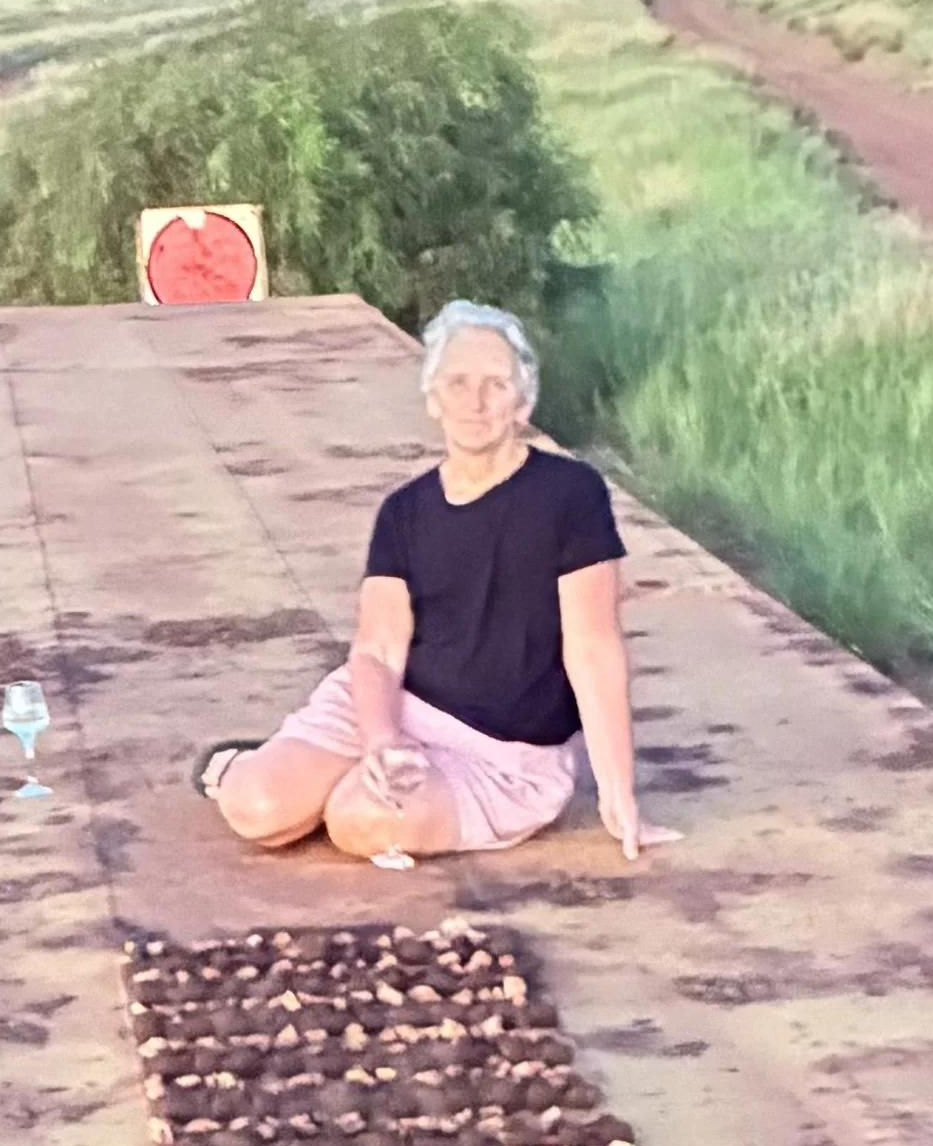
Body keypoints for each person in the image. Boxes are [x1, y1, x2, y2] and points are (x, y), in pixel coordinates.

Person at [194, 300, 680, 863]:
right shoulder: (404, 512)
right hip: (392, 709)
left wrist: (619, 793)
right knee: (258, 809)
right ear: (433, 399)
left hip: (501, 756)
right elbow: (376, 652)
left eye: (496, 384)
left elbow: (593, 648)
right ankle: (249, 766)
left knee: (358, 822)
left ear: (524, 402)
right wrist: (381, 740)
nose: (475, 402)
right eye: (457, 382)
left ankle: (341, 784)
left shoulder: (571, 496)